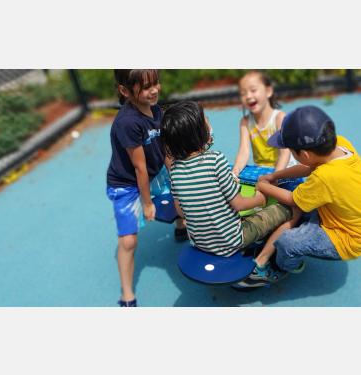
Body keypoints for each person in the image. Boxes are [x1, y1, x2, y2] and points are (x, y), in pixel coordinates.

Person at [248, 105, 361, 284]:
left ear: (304, 154)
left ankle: (282, 267)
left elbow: (292, 199)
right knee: (298, 203)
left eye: (292, 152)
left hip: (348, 238)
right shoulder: (341, 143)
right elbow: (307, 168)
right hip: (349, 217)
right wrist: (275, 175)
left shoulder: (326, 176)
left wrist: (263, 186)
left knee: (287, 242)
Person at [161, 101, 301, 262]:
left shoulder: (175, 170)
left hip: (199, 242)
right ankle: (263, 261)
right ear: (198, 133)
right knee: (291, 208)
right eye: (206, 122)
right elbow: (240, 205)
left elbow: (180, 211)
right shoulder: (215, 160)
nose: (210, 126)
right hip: (232, 240)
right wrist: (261, 197)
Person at [106, 69, 186, 307]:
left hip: (154, 173)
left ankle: (180, 224)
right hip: (127, 184)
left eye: (155, 83)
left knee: (182, 198)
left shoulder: (157, 110)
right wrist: (147, 203)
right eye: (145, 87)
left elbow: (165, 150)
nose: (154, 90)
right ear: (125, 91)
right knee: (129, 241)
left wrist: (178, 181)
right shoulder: (127, 123)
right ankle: (127, 293)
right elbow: (139, 168)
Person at [231, 71, 293, 177]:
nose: (248, 96)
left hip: (285, 170)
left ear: (268, 91)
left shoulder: (279, 118)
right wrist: (235, 171)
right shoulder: (245, 122)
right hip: (261, 171)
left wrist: (275, 177)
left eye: (253, 90)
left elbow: (285, 153)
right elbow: (244, 151)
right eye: (243, 93)